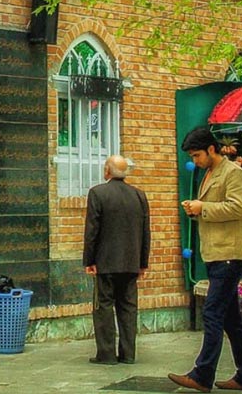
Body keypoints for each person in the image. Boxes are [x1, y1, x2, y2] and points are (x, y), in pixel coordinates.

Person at [168, 127, 242, 393]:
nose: (194, 161)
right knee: (231, 319)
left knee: (211, 312)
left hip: (230, 254)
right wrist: (195, 211)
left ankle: (202, 374)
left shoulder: (234, 173)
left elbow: (238, 207)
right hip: (216, 252)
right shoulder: (208, 173)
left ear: (211, 149)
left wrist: (202, 207)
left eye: (197, 155)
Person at [83, 154, 151, 365]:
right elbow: (145, 231)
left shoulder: (98, 193)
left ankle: (106, 354)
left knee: (103, 306)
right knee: (128, 308)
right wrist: (142, 262)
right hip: (131, 262)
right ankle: (128, 354)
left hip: (106, 262)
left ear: (107, 171)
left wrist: (89, 260)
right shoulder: (139, 195)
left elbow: (92, 230)